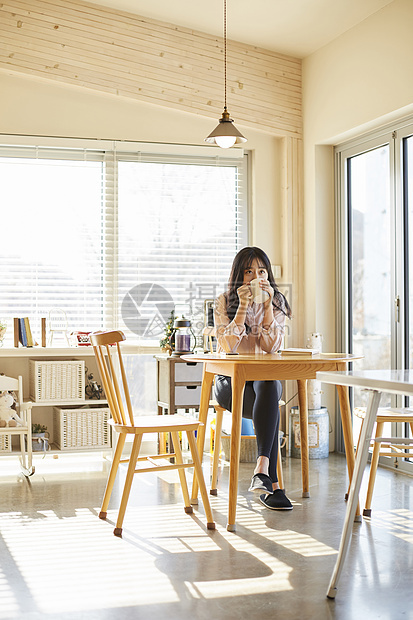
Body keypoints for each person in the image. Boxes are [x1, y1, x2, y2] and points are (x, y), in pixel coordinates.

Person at [213, 246, 293, 510]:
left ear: (267, 276)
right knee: (270, 396)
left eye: (261, 271)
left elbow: (271, 348)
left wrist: (268, 304)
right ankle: (274, 485)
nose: (255, 277)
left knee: (269, 382)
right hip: (230, 384)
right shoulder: (224, 301)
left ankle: (261, 468)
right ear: (239, 275)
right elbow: (228, 346)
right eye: (249, 271)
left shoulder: (277, 302)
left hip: (262, 385)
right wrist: (244, 305)